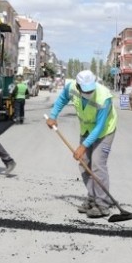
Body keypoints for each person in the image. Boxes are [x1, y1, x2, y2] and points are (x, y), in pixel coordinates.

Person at [46, 69, 118, 219]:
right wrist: (53, 116)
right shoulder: (71, 87)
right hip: (86, 129)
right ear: (78, 86)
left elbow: (99, 126)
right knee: (84, 163)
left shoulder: (104, 97)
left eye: (91, 89)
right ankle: (93, 198)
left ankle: (103, 204)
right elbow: (62, 99)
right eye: (86, 90)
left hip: (104, 131)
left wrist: (83, 146)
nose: (89, 92)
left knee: (97, 165)